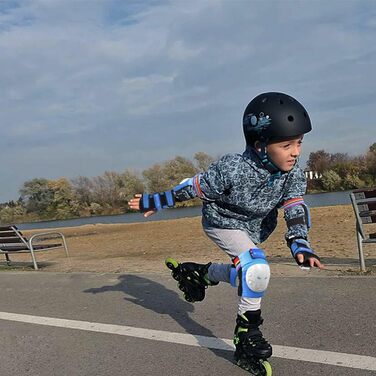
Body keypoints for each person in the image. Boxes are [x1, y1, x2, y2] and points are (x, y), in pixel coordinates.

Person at [128, 92, 324, 374]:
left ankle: (200, 274)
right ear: (259, 146)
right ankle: (247, 335)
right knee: (256, 268)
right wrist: (157, 201)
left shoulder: (292, 173)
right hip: (221, 222)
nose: (296, 151)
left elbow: (294, 207)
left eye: (299, 143)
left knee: (246, 275)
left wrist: (300, 243)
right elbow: (194, 187)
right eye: (286, 145)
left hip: (254, 228)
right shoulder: (232, 168)